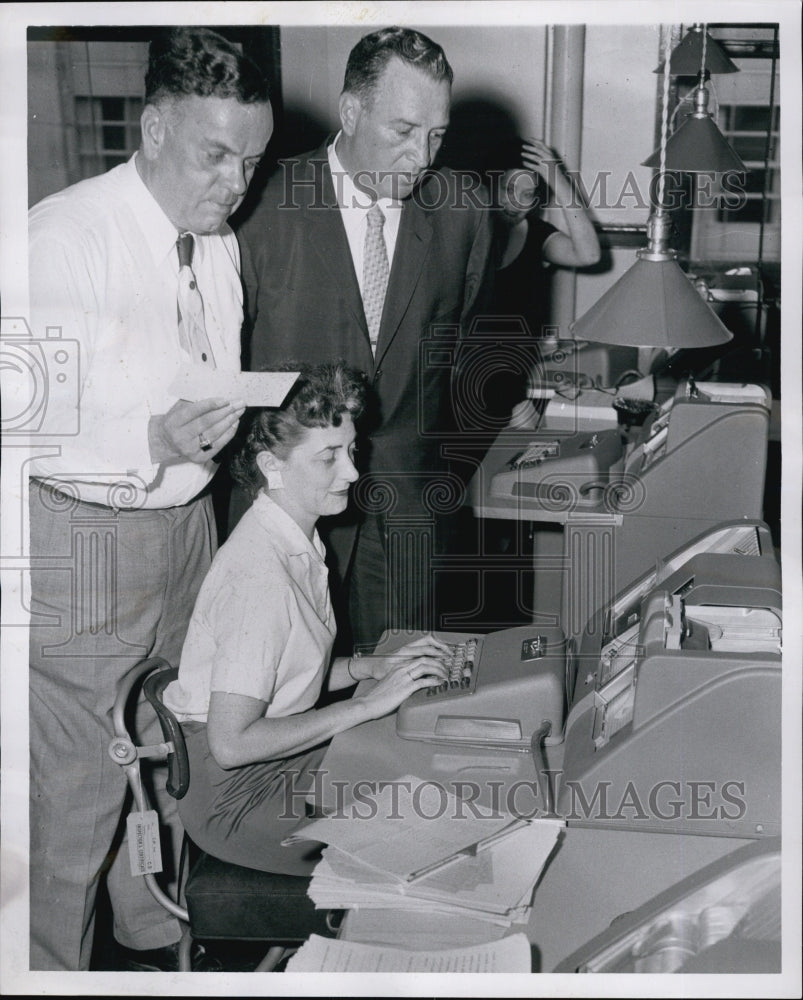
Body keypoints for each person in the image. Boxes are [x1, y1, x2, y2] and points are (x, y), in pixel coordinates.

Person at [27, 28, 273, 971]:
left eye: (248, 162)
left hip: (186, 534)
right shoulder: (64, 236)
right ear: (155, 126)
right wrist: (146, 441)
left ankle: (149, 932)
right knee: (77, 797)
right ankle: (47, 969)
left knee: (166, 749)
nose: (234, 183)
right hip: (83, 546)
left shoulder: (215, 246)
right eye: (215, 155)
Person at [235, 26, 495, 655]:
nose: (421, 156)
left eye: (436, 134)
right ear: (351, 112)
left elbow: (462, 355)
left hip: (407, 505)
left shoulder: (463, 210)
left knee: (399, 685)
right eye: (403, 131)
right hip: (284, 499)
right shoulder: (261, 204)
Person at [163, 363, 451, 873]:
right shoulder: (260, 576)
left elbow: (286, 676)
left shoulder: (293, 537)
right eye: (328, 458)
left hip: (275, 765)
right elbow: (230, 744)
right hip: (243, 801)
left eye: (352, 451)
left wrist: (368, 671)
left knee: (426, 763)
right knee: (439, 820)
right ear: (272, 466)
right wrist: (367, 707)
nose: (353, 473)